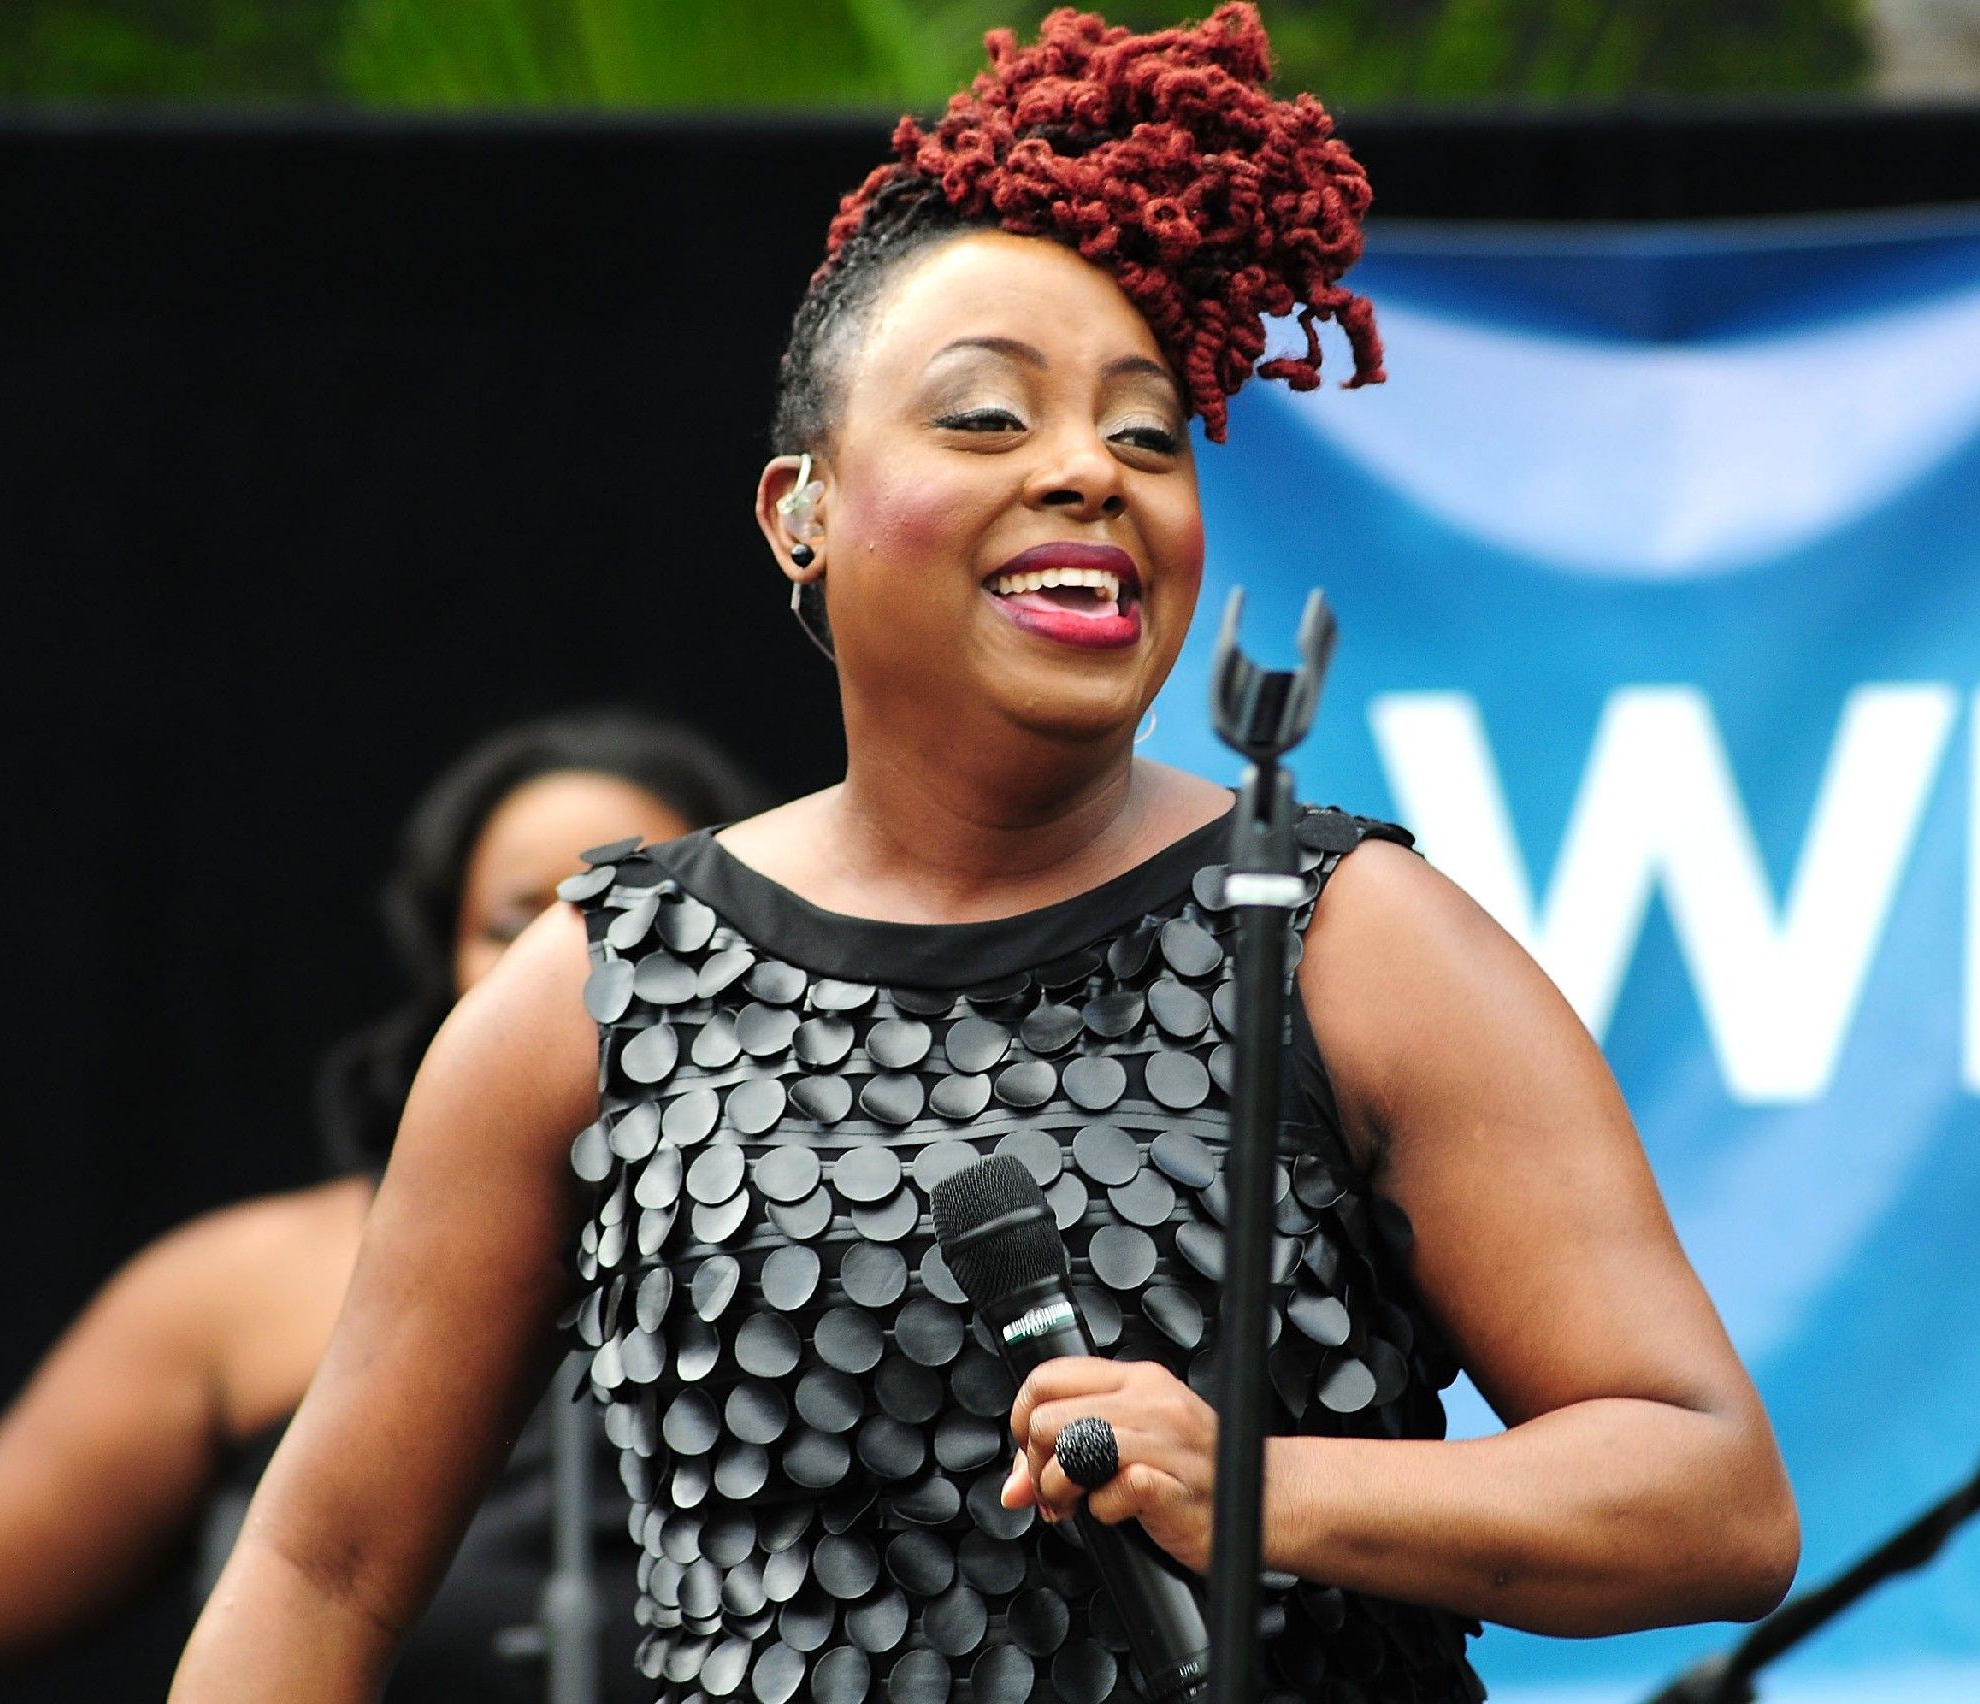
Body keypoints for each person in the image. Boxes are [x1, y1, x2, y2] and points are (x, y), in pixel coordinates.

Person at [170, 9, 1800, 1702]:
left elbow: (1707, 1492)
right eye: (982, 419)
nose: (1087, 469)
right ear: (798, 509)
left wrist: (1255, 1487)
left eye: (1146, 435)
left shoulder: (1340, 936)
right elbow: (322, 1563)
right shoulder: (590, 992)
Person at [0, 708, 765, 1701]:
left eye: (630, 915)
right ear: (445, 963)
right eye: (512, 921)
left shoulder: (848, 1268)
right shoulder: (242, 1289)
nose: (567, 962)